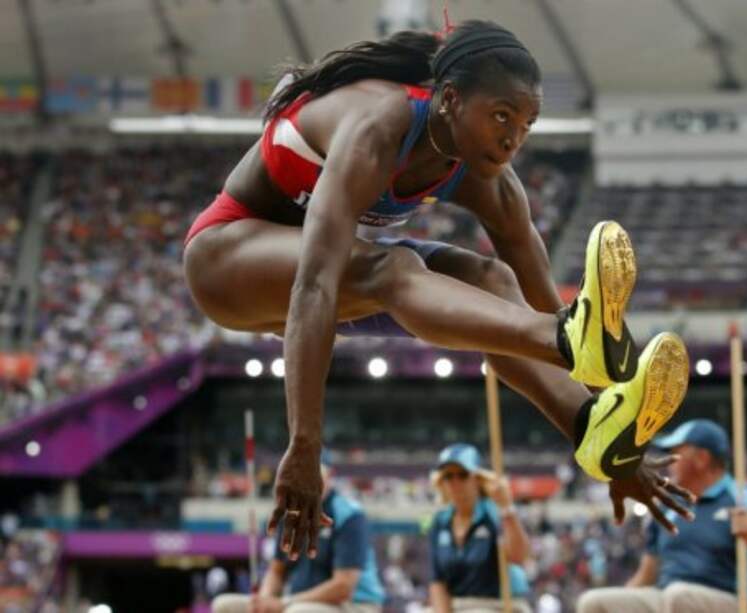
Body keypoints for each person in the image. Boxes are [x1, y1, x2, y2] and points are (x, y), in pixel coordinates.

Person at [181, 19, 694, 558]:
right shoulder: (377, 127)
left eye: (528, 123)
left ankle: (595, 433)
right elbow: (313, 287)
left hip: (319, 275)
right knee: (394, 269)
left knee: (493, 281)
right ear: (449, 99)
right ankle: (567, 349)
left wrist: (618, 445)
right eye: (501, 116)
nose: (513, 138)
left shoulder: (491, 181)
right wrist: (304, 444)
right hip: (225, 263)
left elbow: (550, 306)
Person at [576, 419, 747, 613]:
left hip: (738, 603)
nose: (667, 461)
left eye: (675, 452)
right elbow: (646, 575)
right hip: (669, 600)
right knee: (594, 604)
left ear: (702, 458)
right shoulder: (666, 505)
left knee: (681, 597)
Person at [212, 451, 385, 613]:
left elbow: (343, 588)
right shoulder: (289, 513)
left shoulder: (348, 515)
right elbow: (277, 571)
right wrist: (264, 600)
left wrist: (284, 603)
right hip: (297, 601)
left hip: (354, 605)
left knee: (298, 612)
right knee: (224, 606)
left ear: (329, 475)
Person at [427, 444, 531, 613]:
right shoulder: (439, 522)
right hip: (456, 605)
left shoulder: (494, 513)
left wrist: (507, 509)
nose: (455, 482)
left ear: (477, 479)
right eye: (448, 476)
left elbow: (518, 556)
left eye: (462, 475)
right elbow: (437, 582)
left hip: (498, 605)